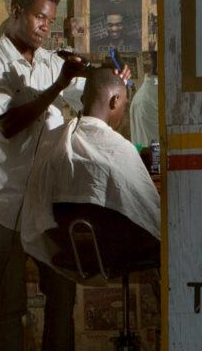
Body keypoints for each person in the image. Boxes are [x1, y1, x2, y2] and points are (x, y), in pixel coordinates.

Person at [0, 0, 89, 351]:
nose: (44, 26)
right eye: (39, 16)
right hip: (8, 202)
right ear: (18, 10)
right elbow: (7, 126)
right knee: (7, 301)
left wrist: (110, 80)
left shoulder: (51, 61)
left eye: (50, 20)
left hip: (51, 200)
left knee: (61, 295)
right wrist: (58, 87)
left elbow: (89, 96)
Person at [19, 65, 161, 272]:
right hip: (116, 254)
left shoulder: (53, 142)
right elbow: (148, 210)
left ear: (83, 100)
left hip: (68, 252)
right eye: (124, 104)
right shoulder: (119, 148)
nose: (123, 111)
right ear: (115, 101)